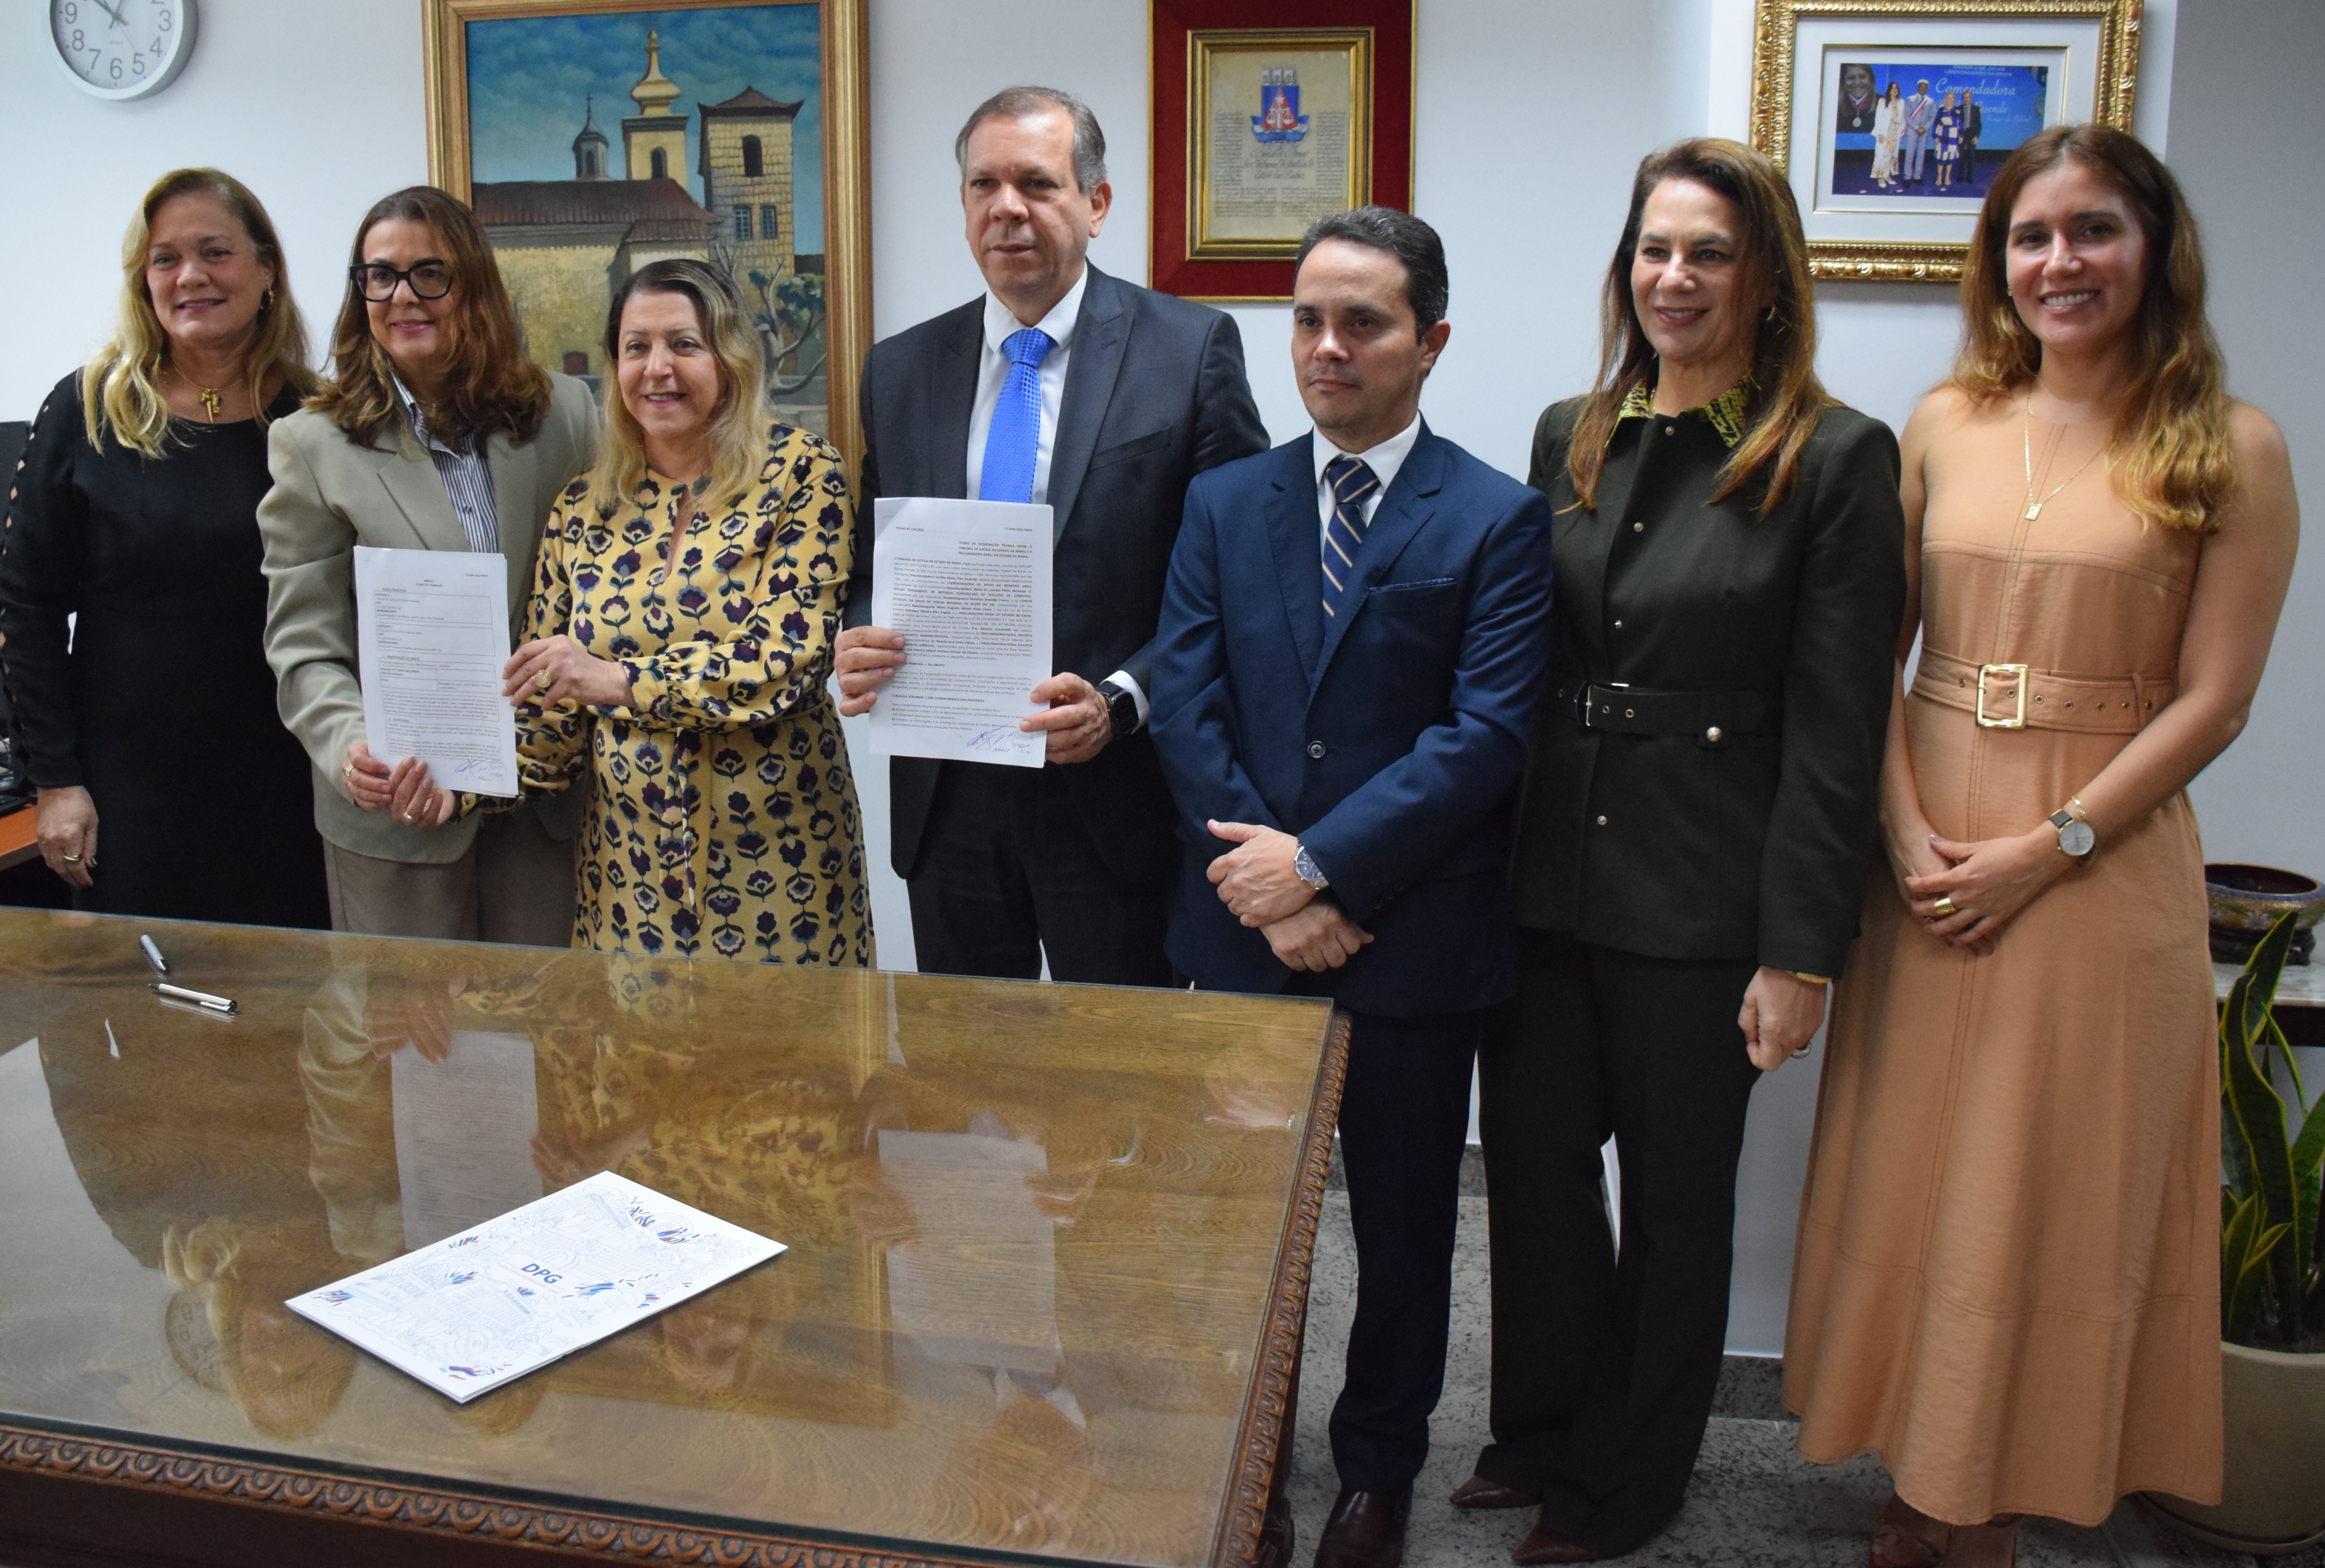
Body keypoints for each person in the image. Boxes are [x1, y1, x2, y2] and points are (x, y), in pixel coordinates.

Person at [1784, 125, 2298, 1568]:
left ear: (2154, 248)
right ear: (1994, 260)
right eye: (2030, 235)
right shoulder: (1943, 419)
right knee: (1920, 1166)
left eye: (2092, 231)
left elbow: (2218, 697)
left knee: (2042, 1176)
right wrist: (1900, 826)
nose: (2059, 262)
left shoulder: (2230, 443)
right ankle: (1924, 1469)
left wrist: (2048, 843)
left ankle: (1984, 1505)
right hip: (1927, 844)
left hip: (2096, 858)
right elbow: (1866, 650)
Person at [1457, 139, 1905, 1563]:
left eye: (1708, 252)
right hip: (1547, 876)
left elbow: (1839, 723)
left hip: (1707, 892)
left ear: (1766, 277)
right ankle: (1537, 1434)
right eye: (1654, 249)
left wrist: (1801, 949)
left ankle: (1628, 1478)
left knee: (1671, 1208)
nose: (1673, 277)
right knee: (1529, 1176)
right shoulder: (1569, 431)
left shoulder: (1835, 456)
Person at [1148, 207, 1554, 1568]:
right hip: (1242, 931)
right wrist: (1274, 886)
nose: (1328, 348)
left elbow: (1485, 734)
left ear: (1430, 342)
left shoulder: (1496, 516)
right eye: (1309, 319)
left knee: (1401, 1231)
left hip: (1411, 942)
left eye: (1363, 322)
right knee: (1242, 1235)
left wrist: (1320, 864)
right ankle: (1246, 1461)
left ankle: (1377, 1471)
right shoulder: (1224, 501)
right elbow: (1189, 704)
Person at [833, 86, 1268, 986]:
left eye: (1036, 183)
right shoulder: (900, 369)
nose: (1007, 208)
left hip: (1111, 796)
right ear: (962, 207)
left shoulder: (1188, 353)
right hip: (947, 797)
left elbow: (1243, 580)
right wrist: (862, 635)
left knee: (1118, 1099)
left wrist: (1124, 696)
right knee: (967, 1087)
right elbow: (876, 564)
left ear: (1096, 204)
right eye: (983, 184)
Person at [389, 259, 868, 964]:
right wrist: (457, 783)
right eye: (635, 347)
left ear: (729, 356)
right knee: (635, 1073)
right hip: (628, 881)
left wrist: (617, 683)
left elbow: (784, 665)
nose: (657, 369)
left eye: (684, 344)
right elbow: (546, 723)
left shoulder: (801, 473)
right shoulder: (582, 510)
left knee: (792, 1071)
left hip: (783, 866)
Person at [258, 186, 598, 943]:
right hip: (397, 816)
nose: (402, 295)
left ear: (474, 284)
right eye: (379, 276)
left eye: (428, 274)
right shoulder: (313, 446)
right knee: (419, 1051)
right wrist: (351, 746)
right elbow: (304, 643)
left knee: (548, 1040)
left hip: (540, 812)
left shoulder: (566, 415)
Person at [0, 167, 328, 928]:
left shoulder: (317, 417)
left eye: (215, 252)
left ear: (266, 269)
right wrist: (55, 781)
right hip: (129, 792)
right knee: (140, 1024)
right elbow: (28, 607)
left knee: (289, 1023)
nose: (191, 277)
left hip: (287, 783)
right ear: (143, 281)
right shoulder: (85, 409)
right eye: (166, 259)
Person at [1868, 82, 1905, 192]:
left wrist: (1901, 133)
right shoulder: (1883, 101)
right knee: (1882, 155)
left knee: (1892, 156)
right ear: (1889, 90)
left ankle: (1887, 175)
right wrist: (1879, 133)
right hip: (1884, 133)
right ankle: (1881, 177)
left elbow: (1902, 119)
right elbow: (1878, 118)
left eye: (1896, 88)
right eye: (1892, 88)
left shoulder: (1901, 102)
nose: (1894, 90)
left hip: (1895, 133)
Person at [1902, 80, 1939, 184]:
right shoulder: (1910, 99)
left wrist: (1926, 128)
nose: (1923, 89)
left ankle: (1917, 176)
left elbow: (1933, 116)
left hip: (1924, 132)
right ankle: (1908, 177)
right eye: (1921, 87)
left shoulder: (1930, 101)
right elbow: (1907, 116)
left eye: (1925, 88)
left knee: (1921, 154)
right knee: (1910, 153)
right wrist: (1917, 127)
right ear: (1918, 87)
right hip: (1913, 130)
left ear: (1927, 89)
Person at [1932, 96, 1965, 191]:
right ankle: (1939, 176)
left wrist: (1961, 136)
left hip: (1953, 137)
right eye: (1949, 98)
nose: (1950, 100)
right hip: (1943, 136)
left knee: (1950, 157)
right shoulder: (1941, 110)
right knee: (1941, 157)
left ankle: (1947, 176)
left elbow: (1961, 124)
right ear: (1946, 99)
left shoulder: (1958, 111)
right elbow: (1936, 123)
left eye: (1952, 98)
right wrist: (1935, 136)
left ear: (1954, 100)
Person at [1836, 64, 1879, 134]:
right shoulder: (1834, 106)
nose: (1857, 83)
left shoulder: (1886, 104)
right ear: (1843, 81)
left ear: (1871, 80)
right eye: (1851, 78)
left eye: (1862, 77)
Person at [1955, 89, 1984, 184]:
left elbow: (1979, 124)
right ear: (1962, 99)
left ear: (1971, 98)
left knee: (1971, 158)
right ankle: (1960, 176)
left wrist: (1977, 137)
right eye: (1965, 98)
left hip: (1972, 137)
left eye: (1968, 97)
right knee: (1961, 158)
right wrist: (1959, 135)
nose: (1966, 99)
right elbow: (1956, 124)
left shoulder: (1976, 109)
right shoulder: (1958, 109)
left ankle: (1969, 176)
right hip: (1961, 136)